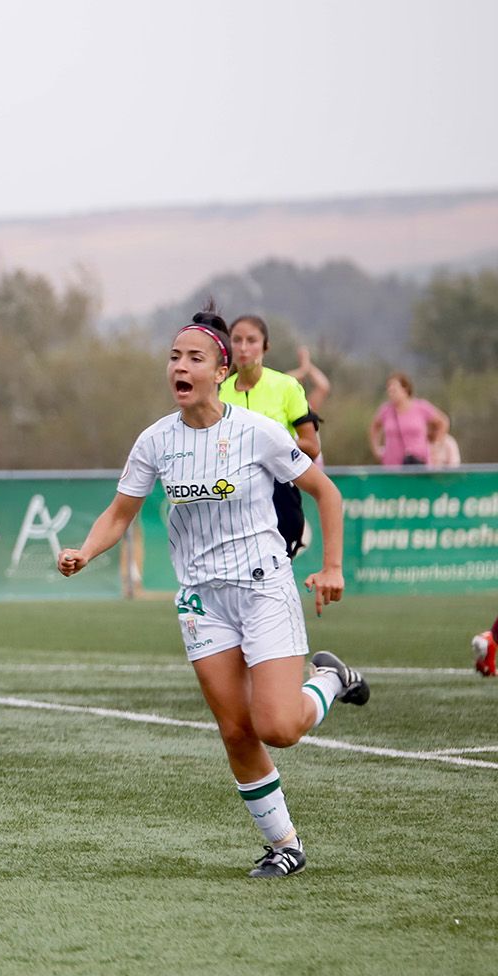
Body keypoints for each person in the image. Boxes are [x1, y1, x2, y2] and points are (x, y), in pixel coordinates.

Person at [57, 305, 369, 879]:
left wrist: (332, 567)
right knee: (236, 730)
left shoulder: (258, 433)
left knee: (277, 725)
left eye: (193, 358)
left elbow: (326, 493)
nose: (180, 366)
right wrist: (85, 550)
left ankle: (331, 679)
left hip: (263, 587)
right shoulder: (155, 441)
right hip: (201, 599)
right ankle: (286, 845)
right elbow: (120, 514)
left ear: (220, 370)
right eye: (174, 357)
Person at [222, 315, 321, 558]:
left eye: (251, 340)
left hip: (279, 495)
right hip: (232, 499)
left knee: (274, 574)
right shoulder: (220, 391)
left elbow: (312, 446)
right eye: (237, 340)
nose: (244, 348)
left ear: (265, 347)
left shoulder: (286, 386)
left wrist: (268, 448)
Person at [370, 373, 449, 467]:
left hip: (418, 462)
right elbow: (374, 427)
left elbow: (443, 422)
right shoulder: (385, 410)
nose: (391, 392)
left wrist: (436, 446)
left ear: (405, 389)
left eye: (394, 389)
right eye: (389, 390)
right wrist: (376, 449)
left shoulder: (421, 407)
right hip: (392, 464)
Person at [289, 345, 331, 411]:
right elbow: (323, 386)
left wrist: (306, 364)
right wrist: (305, 364)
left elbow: (323, 387)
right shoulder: (291, 409)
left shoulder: (303, 410)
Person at [474, 613, 497, 677]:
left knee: (488, 671)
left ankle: (480, 664)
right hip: (488, 643)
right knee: (491, 673)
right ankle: (480, 664)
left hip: (479, 638)